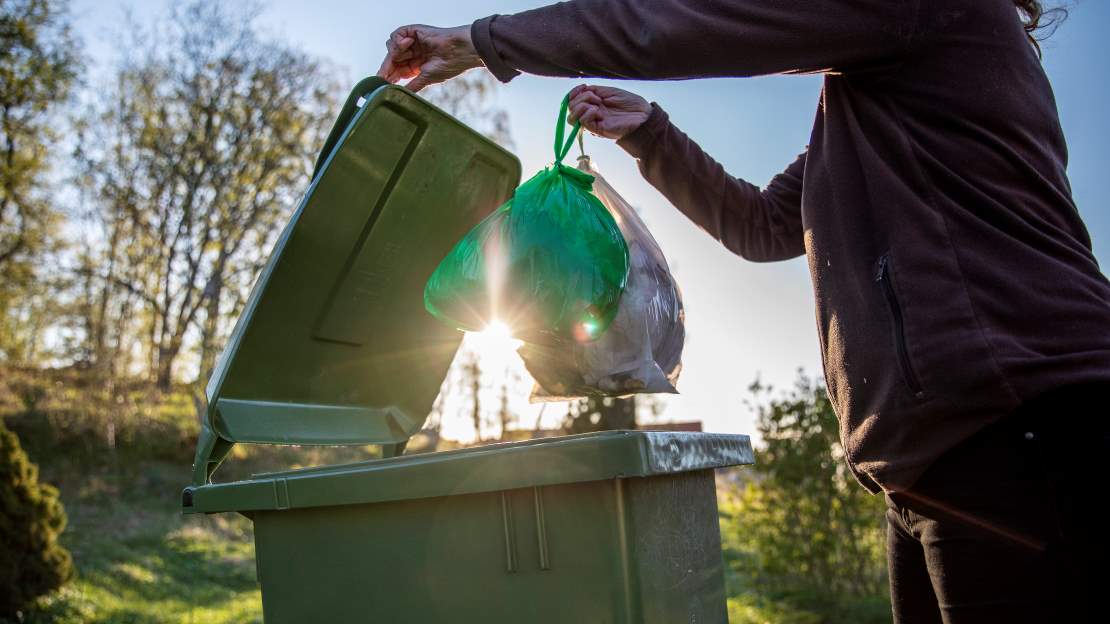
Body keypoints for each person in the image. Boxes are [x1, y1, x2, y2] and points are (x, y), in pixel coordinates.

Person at [377, 2, 1110, 622]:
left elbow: (681, 22)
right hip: (935, 459)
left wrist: (478, 42)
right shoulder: (883, 94)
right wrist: (649, 134)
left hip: (1023, 427)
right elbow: (761, 226)